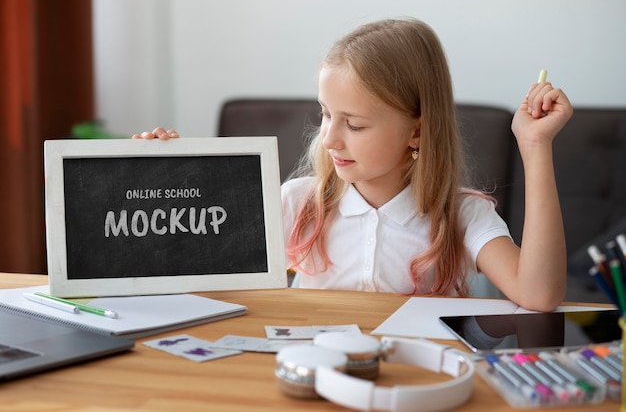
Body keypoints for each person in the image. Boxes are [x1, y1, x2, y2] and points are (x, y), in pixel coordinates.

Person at [134, 18, 573, 312]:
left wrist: (534, 148)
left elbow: (538, 293)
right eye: (325, 113)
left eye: (355, 124)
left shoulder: (461, 216)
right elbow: (198, 285)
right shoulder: (297, 203)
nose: (329, 138)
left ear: (417, 132)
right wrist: (160, 178)